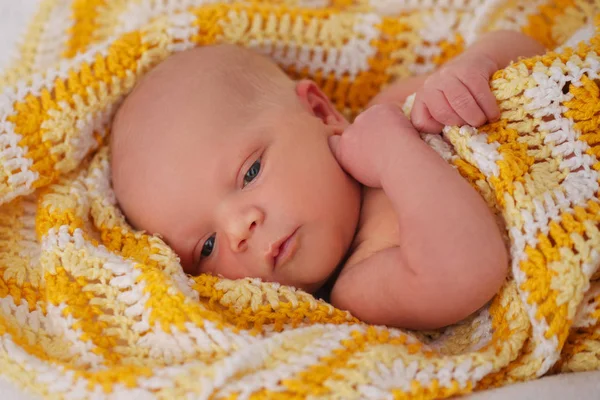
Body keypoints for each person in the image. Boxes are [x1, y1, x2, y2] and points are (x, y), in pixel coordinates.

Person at [110, 30, 545, 330]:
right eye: (206, 247)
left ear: (320, 112)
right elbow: (470, 271)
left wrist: (474, 66)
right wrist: (395, 153)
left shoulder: (395, 105)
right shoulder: (362, 283)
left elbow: (531, 56)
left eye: (251, 172)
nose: (238, 229)